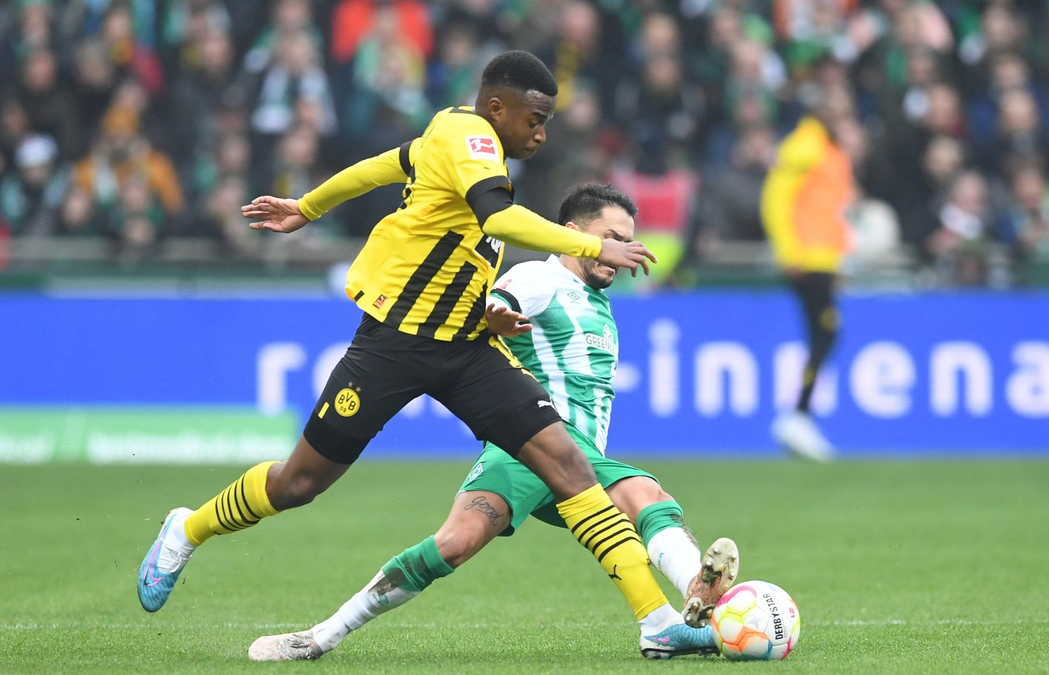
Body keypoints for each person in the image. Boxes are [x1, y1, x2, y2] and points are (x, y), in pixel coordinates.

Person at [137, 51, 712, 655]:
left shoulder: (447, 137)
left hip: (466, 344)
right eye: (535, 118)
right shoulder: (470, 136)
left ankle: (655, 623)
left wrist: (307, 207)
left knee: (568, 464)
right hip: (396, 342)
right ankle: (188, 528)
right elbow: (500, 216)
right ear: (496, 108)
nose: (541, 133)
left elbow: (380, 168)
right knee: (298, 483)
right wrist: (586, 241)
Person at [246, 184, 739, 662]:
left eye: (627, 240)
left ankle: (688, 605)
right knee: (454, 545)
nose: (621, 251)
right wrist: (497, 315)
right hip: (529, 448)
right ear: (573, 233)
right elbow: (499, 301)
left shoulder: (598, 304)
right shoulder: (543, 278)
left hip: (581, 464)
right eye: (610, 238)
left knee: (648, 497)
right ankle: (320, 636)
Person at [761, 97, 854, 462]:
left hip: (823, 258)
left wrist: (839, 259)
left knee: (824, 333)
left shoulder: (828, 149)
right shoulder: (804, 146)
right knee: (826, 332)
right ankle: (798, 415)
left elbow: (830, 210)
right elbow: (775, 199)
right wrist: (789, 252)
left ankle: (800, 415)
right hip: (807, 257)